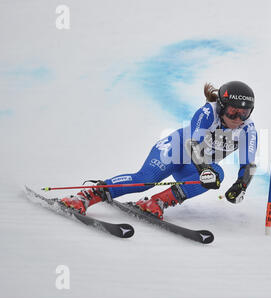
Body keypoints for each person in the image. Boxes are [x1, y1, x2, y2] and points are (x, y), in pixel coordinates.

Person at [61, 81, 258, 220]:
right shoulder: (208, 112)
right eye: (233, 111)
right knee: (144, 180)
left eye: (245, 112)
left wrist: (241, 185)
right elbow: (192, 144)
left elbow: (248, 164)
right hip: (174, 150)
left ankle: (157, 203)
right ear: (222, 106)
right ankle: (86, 195)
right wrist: (205, 169)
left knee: (216, 175)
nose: (238, 118)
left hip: (194, 165)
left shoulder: (248, 130)